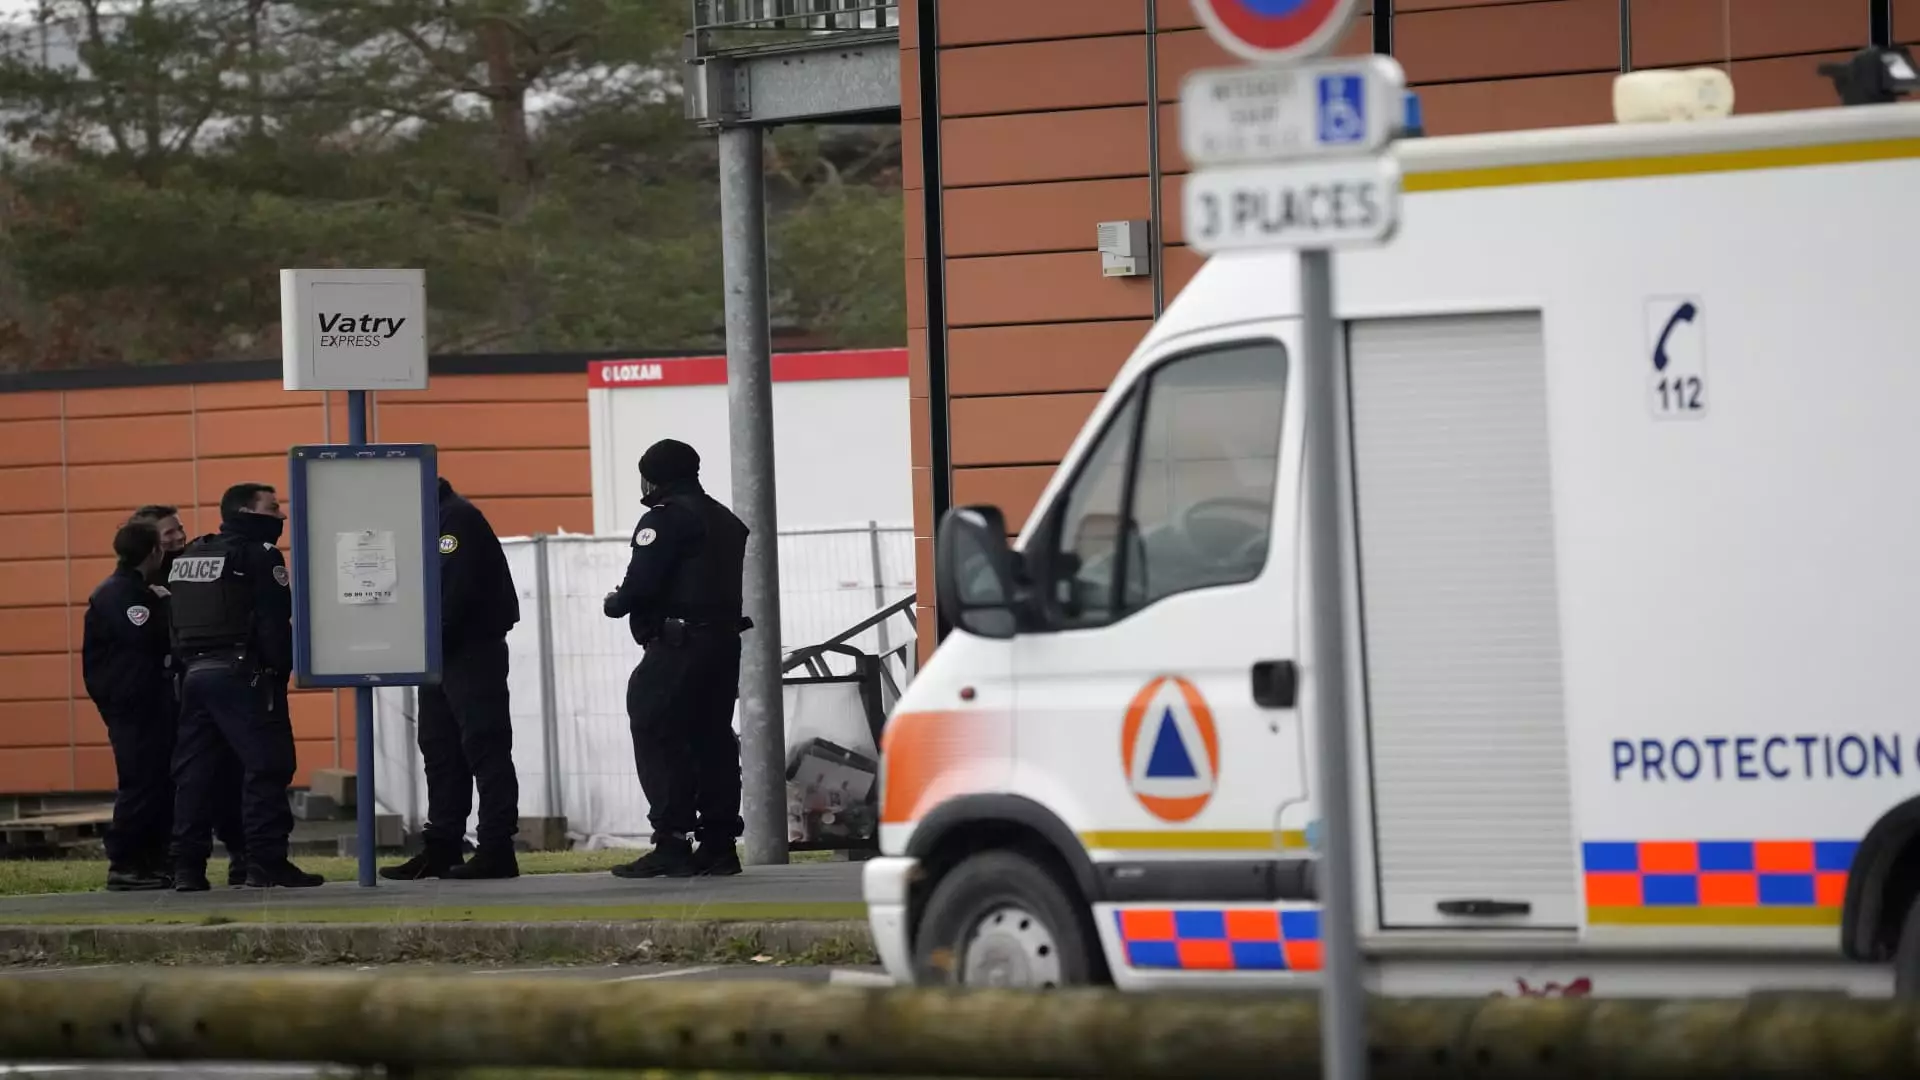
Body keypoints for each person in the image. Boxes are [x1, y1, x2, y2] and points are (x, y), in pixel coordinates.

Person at [602, 439, 752, 879]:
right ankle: (719, 844)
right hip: (723, 644)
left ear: (655, 476)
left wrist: (616, 602)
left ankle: (672, 841)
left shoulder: (664, 519)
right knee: (713, 739)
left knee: (654, 727)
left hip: (679, 645)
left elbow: (640, 584)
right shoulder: (726, 519)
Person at [166, 482, 321, 890]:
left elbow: (175, 621)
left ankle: (187, 869)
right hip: (244, 675)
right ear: (247, 513)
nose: (282, 516)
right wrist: (275, 672)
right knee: (267, 764)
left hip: (196, 676)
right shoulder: (261, 555)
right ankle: (265, 862)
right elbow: (274, 623)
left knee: (195, 774)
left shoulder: (193, 554)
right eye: (273, 509)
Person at [380, 477, 523, 881]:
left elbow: (453, 595)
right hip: (441, 653)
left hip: (468, 650)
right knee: (441, 752)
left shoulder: (455, 520)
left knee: (484, 747)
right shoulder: (433, 521)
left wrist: (418, 642)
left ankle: (496, 847)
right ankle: (441, 846)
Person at [127, 504, 250, 890]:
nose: (179, 537)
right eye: (168, 534)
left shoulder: (197, 562)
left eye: (179, 529)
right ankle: (187, 864)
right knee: (193, 781)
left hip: (200, 688)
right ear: (150, 543)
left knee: (227, 780)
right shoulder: (140, 588)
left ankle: (237, 857)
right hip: (180, 698)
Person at [80, 521, 175, 891]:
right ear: (153, 552)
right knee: (140, 781)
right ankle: (125, 862)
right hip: (133, 704)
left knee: (157, 781)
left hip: (145, 701)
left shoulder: (131, 590)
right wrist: (166, 605)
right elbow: (149, 636)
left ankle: (150, 859)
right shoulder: (123, 594)